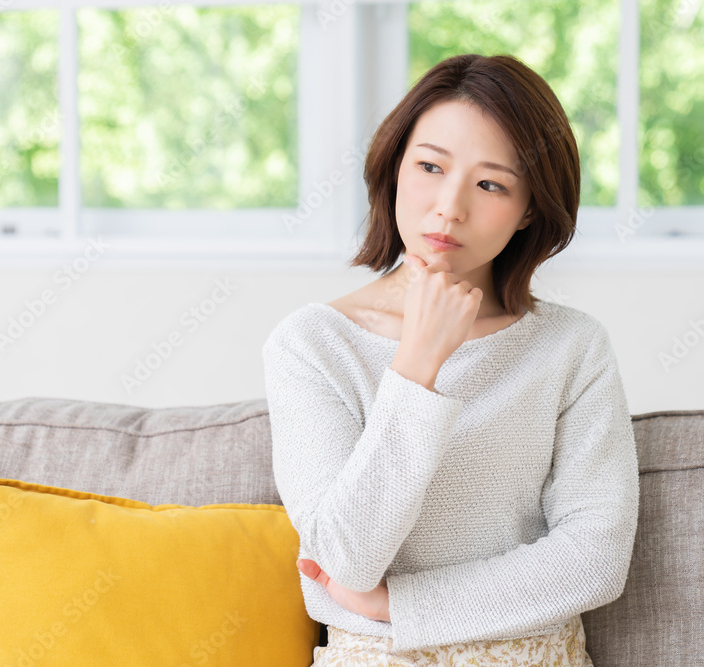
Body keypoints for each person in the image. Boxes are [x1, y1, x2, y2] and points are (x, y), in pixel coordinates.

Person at [261, 53, 640, 666]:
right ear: (394, 170)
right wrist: (418, 363)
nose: (450, 207)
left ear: (530, 209)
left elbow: (595, 560)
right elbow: (344, 561)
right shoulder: (311, 344)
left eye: (491, 184)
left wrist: (401, 605)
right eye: (430, 167)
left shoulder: (572, 346)